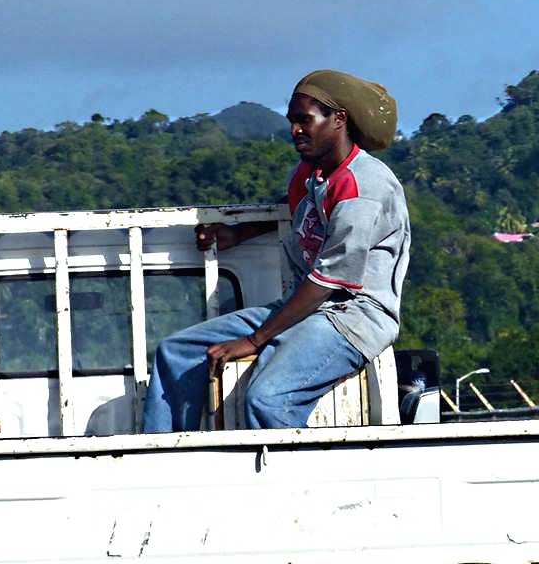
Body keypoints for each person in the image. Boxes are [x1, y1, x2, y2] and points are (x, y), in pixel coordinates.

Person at [142, 69, 410, 432]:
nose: (294, 130)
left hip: (350, 317)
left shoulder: (363, 188)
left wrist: (255, 340)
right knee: (176, 355)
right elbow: (298, 210)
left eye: (305, 120)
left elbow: (328, 279)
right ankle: (169, 469)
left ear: (338, 120)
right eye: (292, 121)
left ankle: (298, 485)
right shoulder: (310, 174)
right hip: (303, 308)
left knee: (268, 399)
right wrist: (238, 233)